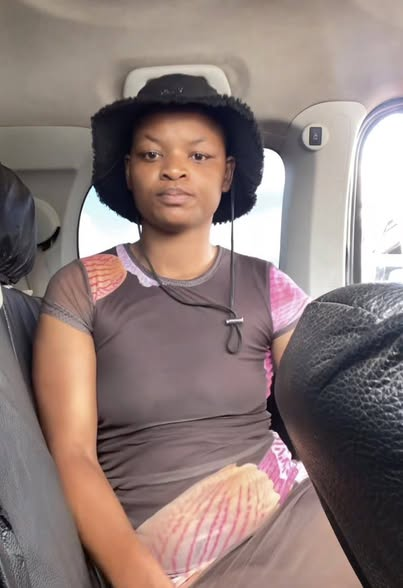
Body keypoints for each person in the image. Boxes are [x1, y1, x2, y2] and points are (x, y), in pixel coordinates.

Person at [33, 74, 360, 587]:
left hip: (285, 511)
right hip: (162, 555)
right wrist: (137, 576)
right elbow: (72, 456)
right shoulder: (81, 289)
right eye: (151, 154)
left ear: (226, 174)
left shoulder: (268, 286)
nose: (174, 169)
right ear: (129, 170)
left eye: (199, 155)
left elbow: (329, 406)